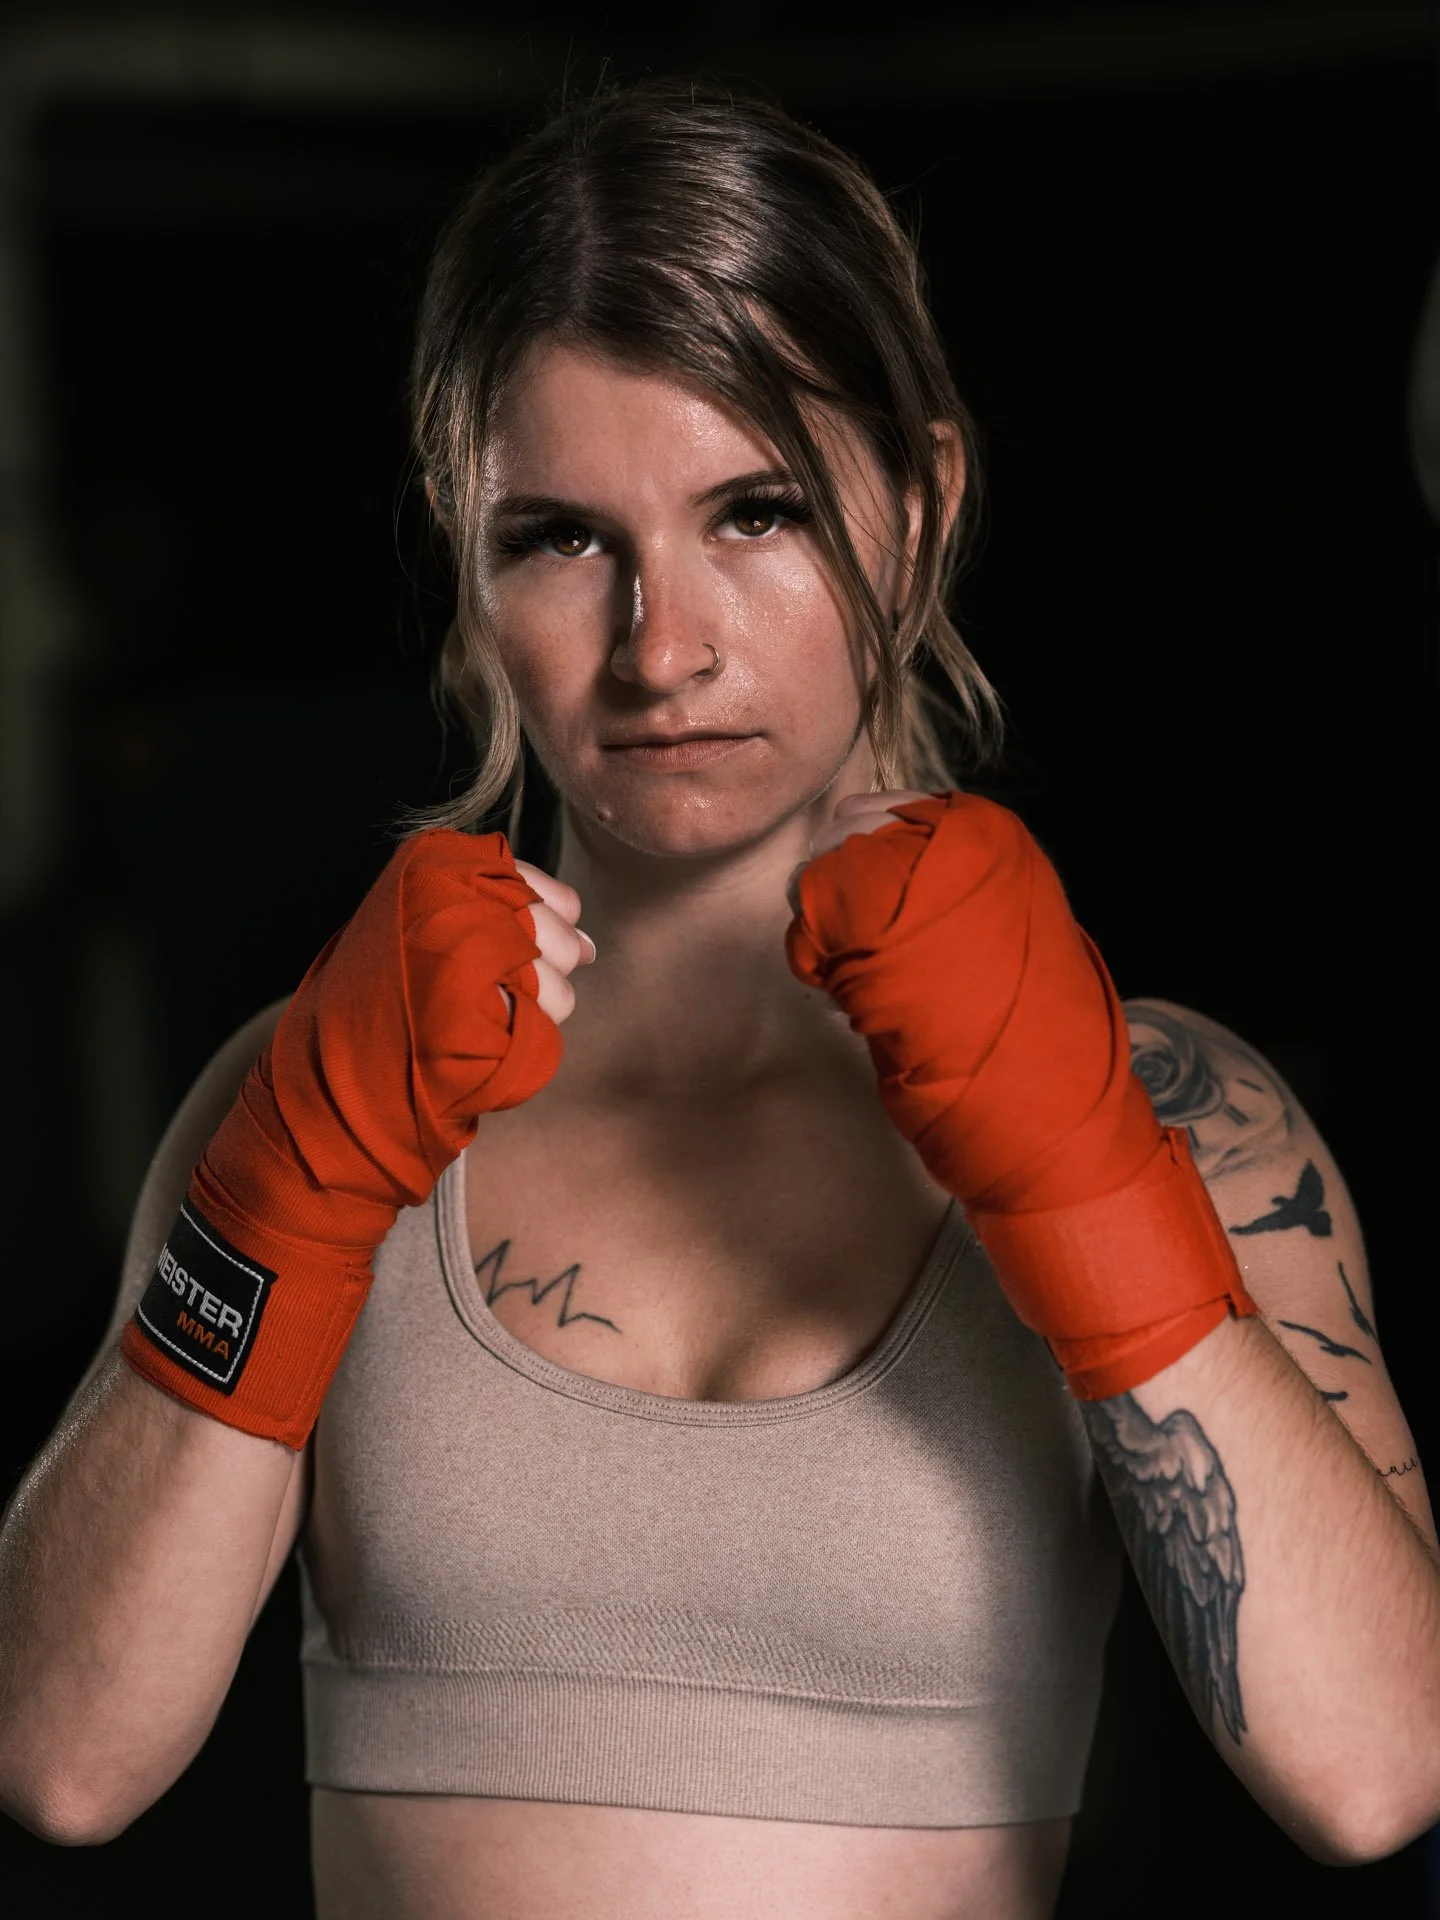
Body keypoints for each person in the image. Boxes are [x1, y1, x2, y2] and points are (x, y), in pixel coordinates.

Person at [2, 80, 1437, 1920]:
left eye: (755, 513)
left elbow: (1376, 1772)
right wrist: (285, 1183)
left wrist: (1086, 1180)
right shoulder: (303, 1099)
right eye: (562, 538)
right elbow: (62, 1759)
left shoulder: (1178, 1111)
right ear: (470, 558)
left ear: (918, 511)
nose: (663, 648)